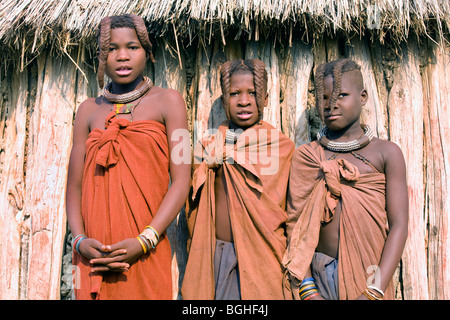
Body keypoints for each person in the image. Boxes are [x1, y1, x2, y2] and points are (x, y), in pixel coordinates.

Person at [65, 14, 190, 300]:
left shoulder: (170, 102)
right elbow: (73, 186)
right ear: (100, 56)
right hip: (93, 256)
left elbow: (182, 182)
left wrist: (144, 240)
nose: (122, 56)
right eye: (111, 48)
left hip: (145, 250)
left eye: (132, 47)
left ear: (147, 52)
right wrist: (80, 241)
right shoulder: (87, 111)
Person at [282, 58, 408, 300]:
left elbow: (399, 226)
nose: (331, 104)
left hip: (370, 276)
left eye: (342, 95)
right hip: (317, 277)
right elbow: (296, 226)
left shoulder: (386, 153)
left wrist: (374, 290)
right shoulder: (308, 157)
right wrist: (308, 289)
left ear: (363, 97)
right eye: (325, 97)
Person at [181, 59, 295, 300]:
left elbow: (292, 210)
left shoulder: (280, 147)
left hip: (263, 255)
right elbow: (193, 207)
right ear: (224, 101)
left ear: (265, 98)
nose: (244, 101)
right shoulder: (209, 147)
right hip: (217, 255)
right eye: (234, 94)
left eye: (252, 92)